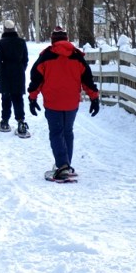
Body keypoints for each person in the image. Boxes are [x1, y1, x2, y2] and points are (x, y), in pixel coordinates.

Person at [27, 26, 100, 180]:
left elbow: (36, 79)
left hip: (53, 102)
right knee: (67, 132)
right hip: (71, 102)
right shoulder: (76, 56)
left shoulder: (46, 56)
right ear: (66, 39)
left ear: (53, 39)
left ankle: (62, 166)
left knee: (56, 132)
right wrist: (94, 97)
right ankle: (65, 163)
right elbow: (87, 79)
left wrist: (32, 98)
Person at [0, 19, 30, 137]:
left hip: (5, 74)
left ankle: (5, 122)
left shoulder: (1, 43)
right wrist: (21, 69)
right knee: (18, 98)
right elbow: (25, 59)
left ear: (4, 29)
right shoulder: (21, 42)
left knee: (6, 98)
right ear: (14, 29)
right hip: (18, 74)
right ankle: (21, 122)